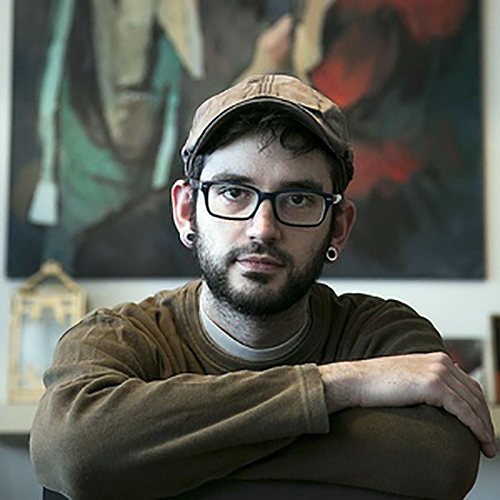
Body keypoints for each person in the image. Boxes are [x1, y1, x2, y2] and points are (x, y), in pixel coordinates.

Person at [30, 74, 496, 500]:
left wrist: (163, 452)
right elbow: (74, 450)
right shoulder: (119, 337)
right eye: (234, 192)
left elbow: (441, 460)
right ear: (186, 211)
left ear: (338, 226)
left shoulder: (382, 335)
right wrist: (343, 385)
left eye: (298, 198)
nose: (263, 228)